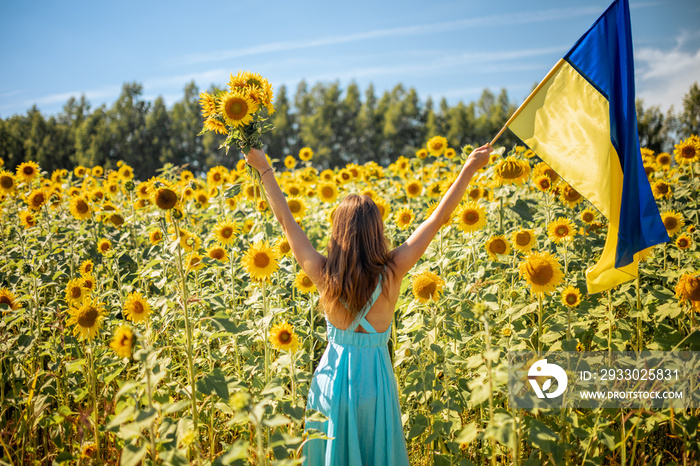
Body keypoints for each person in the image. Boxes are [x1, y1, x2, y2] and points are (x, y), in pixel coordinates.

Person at [244, 143, 492, 465]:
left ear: (337, 232)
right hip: (375, 383)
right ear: (378, 230)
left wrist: (264, 169)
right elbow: (438, 219)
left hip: (332, 383)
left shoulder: (322, 273)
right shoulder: (393, 271)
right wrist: (469, 168)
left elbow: (285, 221)